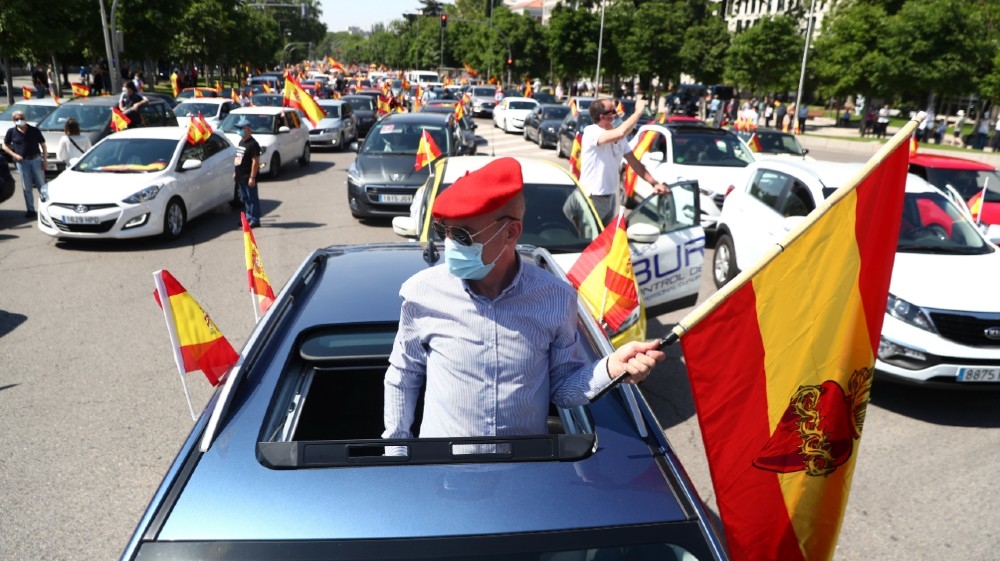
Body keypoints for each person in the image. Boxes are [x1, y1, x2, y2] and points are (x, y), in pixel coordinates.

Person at [382, 157, 666, 443]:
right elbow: (403, 376)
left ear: (511, 233)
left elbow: (563, 390)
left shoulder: (556, 298)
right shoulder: (422, 293)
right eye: (444, 231)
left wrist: (610, 368)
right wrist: (396, 451)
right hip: (442, 474)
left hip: (525, 474)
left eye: (463, 236)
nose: (450, 245)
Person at [580, 98, 669, 226]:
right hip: (592, 197)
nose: (617, 114)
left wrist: (654, 183)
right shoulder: (591, 132)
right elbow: (621, 132)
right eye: (613, 111)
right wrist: (638, 112)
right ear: (602, 117)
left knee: (606, 240)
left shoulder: (620, 139)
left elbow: (635, 163)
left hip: (610, 195)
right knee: (591, 239)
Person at [2, 110, 48, 218]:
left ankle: (45, 210)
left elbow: (43, 145)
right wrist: (14, 155)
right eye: (17, 119)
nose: (20, 120)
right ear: (13, 121)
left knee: (41, 186)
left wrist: (45, 160)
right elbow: (5, 146)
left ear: (25, 118)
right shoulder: (11, 132)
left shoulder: (34, 130)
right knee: (26, 187)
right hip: (22, 162)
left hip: (36, 160)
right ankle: (31, 210)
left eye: (21, 118)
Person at [233, 118, 262, 227]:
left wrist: (252, 177)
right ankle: (248, 217)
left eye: (241, 128)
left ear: (248, 129)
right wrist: (235, 172)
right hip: (240, 176)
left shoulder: (253, 144)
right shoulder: (241, 142)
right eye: (238, 128)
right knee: (245, 198)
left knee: (252, 198)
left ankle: (255, 219)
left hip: (248, 176)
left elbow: (255, 162)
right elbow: (238, 158)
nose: (239, 130)